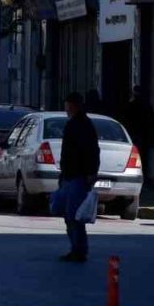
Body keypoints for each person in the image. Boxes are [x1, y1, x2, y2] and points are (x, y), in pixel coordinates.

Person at [57, 92, 100, 262]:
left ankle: (79, 249)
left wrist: (91, 173)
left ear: (74, 106)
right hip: (70, 175)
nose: (66, 109)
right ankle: (76, 247)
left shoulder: (83, 125)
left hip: (78, 176)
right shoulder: (73, 124)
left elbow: (91, 151)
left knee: (75, 216)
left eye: (68, 105)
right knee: (69, 215)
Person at [123, 85, 154, 177]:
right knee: (143, 156)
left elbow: (127, 119)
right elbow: (151, 121)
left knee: (136, 155)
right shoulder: (146, 105)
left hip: (136, 134)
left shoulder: (132, 105)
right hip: (143, 134)